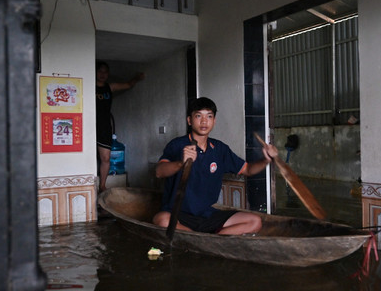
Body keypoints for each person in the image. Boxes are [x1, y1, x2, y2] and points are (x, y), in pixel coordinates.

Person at [152, 97, 278, 235]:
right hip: (178, 214)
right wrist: (181, 163)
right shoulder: (177, 145)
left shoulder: (219, 149)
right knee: (162, 220)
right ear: (189, 120)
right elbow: (159, 172)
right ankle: (203, 239)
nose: (204, 121)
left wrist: (266, 160)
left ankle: (212, 238)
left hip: (208, 214)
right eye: (198, 116)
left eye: (209, 116)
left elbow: (248, 169)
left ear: (214, 121)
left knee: (255, 221)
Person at [96, 61, 144, 193]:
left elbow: (128, 84)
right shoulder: (89, 86)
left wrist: (137, 78)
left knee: (105, 158)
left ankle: (102, 186)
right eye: (100, 71)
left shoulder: (109, 87)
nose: (102, 74)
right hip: (89, 125)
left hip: (105, 127)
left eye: (105, 72)